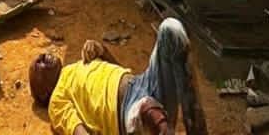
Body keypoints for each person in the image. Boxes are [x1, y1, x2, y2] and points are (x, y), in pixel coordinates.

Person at [30, 19, 207, 135]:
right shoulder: (56, 101)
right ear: (43, 93)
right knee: (145, 109)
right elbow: (78, 131)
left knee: (171, 29)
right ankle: (154, 122)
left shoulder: (78, 64)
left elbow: (121, 71)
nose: (43, 56)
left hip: (143, 82)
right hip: (127, 112)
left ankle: (195, 127)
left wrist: (102, 51)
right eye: (37, 65)